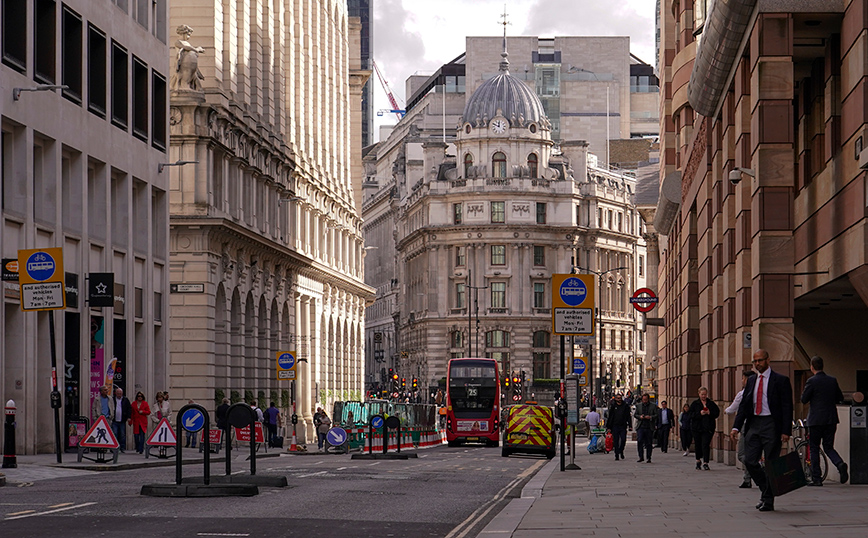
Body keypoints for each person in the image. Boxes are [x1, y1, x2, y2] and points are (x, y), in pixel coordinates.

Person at [732, 349, 793, 512]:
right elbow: (744, 405)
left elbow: (787, 406)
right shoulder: (751, 381)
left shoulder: (780, 380)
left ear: (768, 360)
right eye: (755, 361)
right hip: (754, 424)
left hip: (771, 424)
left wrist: (786, 430)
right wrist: (736, 426)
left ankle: (768, 500)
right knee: (749, 460)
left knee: (771, 463)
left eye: (760, 360)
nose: (757, 364)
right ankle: (766, 489)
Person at [800, 355, 848, 485]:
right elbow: (839, 397)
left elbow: (804, 399)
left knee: (814, 447)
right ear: (823, 366)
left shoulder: (811, 381)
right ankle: (840, 464)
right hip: (831, 418)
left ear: (812, 367)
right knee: (828, 446)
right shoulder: (832, 380)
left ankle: (817, 478)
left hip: (816, 420)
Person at [726, 370, 756, 487]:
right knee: (749, 455)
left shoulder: (743, 394)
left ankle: (757, 468)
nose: (742, 381)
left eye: (743, 379)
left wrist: (725, 411)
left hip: (747, 427)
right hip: (756, 426)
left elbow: (734, 409)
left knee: (742, 454)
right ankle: (747, 479)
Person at [689, 387, 720, 470]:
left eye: (705, 394)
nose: (704, 396)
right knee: (698, 444)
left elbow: (717, 413)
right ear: (699, 394)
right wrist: (699, 413)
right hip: (697, 428)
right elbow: (690, 415)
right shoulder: (695, 404)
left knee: (706, 444)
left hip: (708, 428)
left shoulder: (711, 403)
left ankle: (706, 462)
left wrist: (709, 412)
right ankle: (698, 460)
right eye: (702, 394)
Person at [606, 393, 632, 461]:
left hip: (623, 425)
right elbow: (610, 417)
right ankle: (616, 454)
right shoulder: (613, 406)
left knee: (623, 439)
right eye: (617, 398)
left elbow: (628, 416)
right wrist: (609, 427)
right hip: (615, 426)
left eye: (620, 398)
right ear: (615, 399)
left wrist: (630, 425)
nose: (619, 400)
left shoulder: (625, 406)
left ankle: (621, 450)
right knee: (616, 440)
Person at [634, 393, 658, 463]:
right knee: (640, 441)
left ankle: (648, 457)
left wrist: (650, 417)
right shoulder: (638, 406)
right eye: (643, 400)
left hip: (649, 427)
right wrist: (640, 417)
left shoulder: (653, 406)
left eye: (646, 400)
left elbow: (656, 415)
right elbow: (635, 414)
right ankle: (641, 457)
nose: (645, 401)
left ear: (648, 399)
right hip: (641, 426)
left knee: (649, 443)